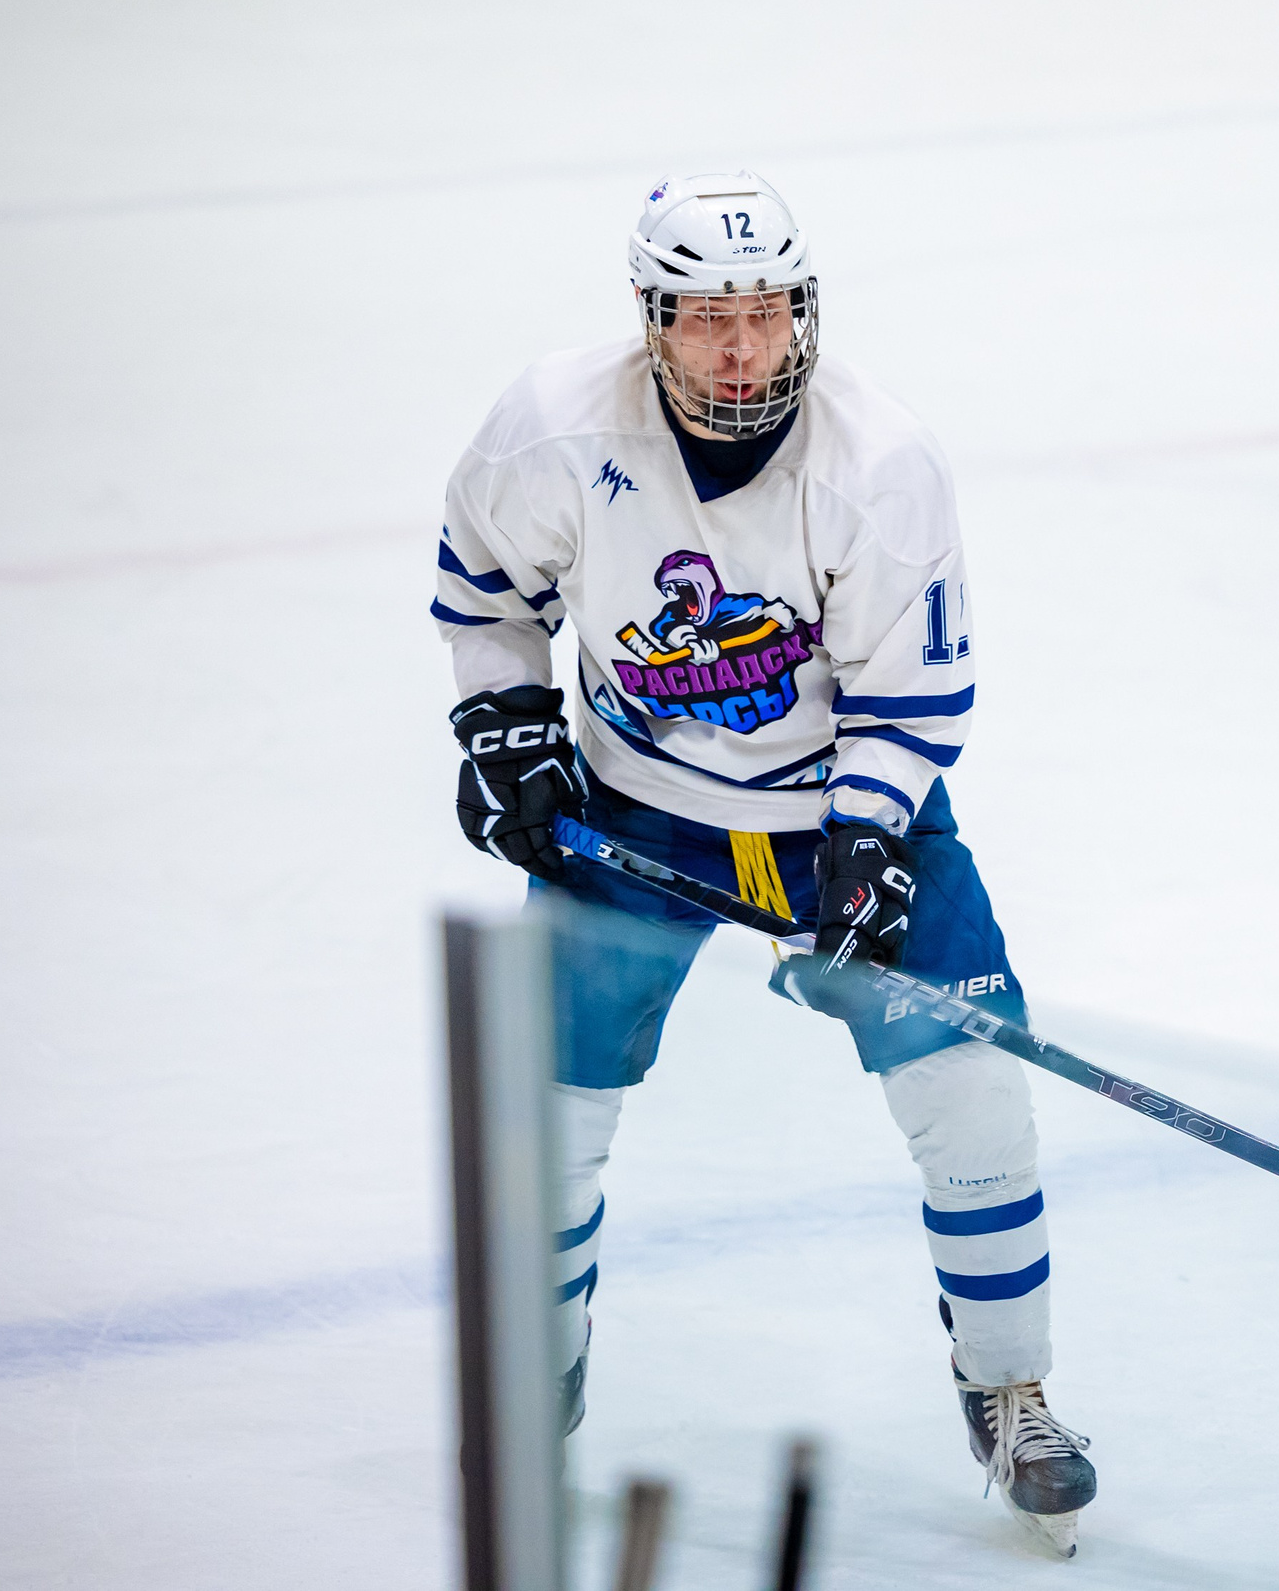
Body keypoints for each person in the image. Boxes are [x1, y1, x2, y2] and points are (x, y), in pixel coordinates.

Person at [431, 171, 1095, 1555]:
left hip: (834, 807)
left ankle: (1011, 1383)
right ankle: (535, 1375)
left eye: (770, 312)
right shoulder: (553, 428)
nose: (745, 346)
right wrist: (504, 728)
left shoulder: (880, 459)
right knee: (549, 1121)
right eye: (711, 318)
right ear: (652, 317)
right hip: (632, 809)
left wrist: (867, 841)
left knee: (975, 1090)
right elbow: (488, 587)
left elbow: (910, 693)